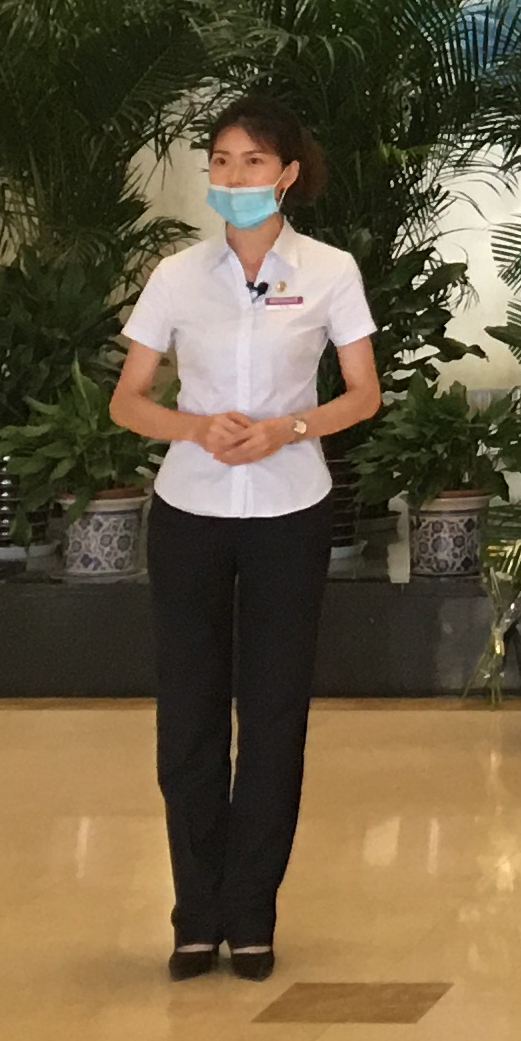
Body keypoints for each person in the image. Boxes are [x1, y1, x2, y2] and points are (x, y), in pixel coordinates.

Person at [108, 97, 381, 981]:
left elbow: (363, 393)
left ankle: (252, 914)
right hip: (189, 511)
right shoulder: (177, 275)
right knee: (188, 714)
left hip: (289, 510)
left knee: (272, 716)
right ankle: (196, 915)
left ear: (287, 175)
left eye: (253, 162)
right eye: (221, 161)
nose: (234, 177)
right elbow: (128, 400)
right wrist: (195, 427)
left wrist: (288, 429)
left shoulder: (330, 270)